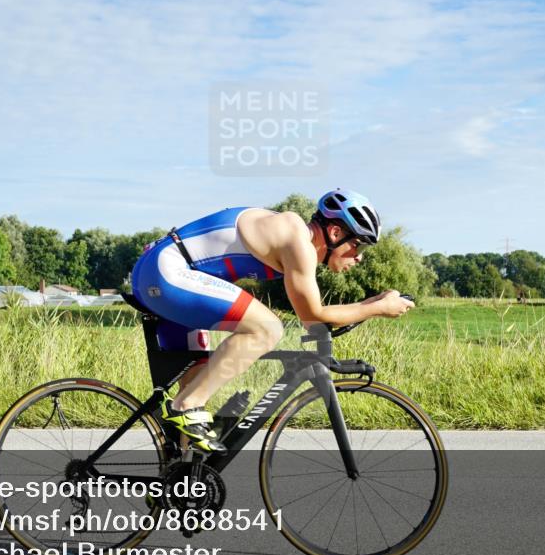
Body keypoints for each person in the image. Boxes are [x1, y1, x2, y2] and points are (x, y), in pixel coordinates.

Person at [130, 189, 415, 452]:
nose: (359, 258)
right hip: (167, 273)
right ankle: (185, 406)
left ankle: (180, 480)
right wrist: (378, 308)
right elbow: (312, 315)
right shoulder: (296, 240)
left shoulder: (295, 239)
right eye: (358, 247)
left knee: (197, 391)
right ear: (335, 232)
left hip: (163, 273)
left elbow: (314, 318)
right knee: (266, 329)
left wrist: (372, 304)